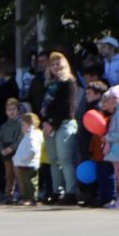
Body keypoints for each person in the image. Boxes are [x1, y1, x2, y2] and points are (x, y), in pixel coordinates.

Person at [37, 52, 79, 203]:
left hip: (64, 123)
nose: (56, 67)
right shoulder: (50, 84)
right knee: (53, 160)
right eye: (52, 64)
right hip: (48, 124)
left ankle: (71, 192)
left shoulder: (69, 83)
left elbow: (65, 106)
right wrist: (44, 122)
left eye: (58, 63)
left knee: (65, 159)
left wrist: (52, 123)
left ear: (65, 64)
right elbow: (44, 106)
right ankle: (56, 191)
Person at [0, 98, 24, 204]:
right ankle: (8, 194)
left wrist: (11, 148)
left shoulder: (20, 124)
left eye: (14, 109)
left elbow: (20, 139)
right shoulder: (4, 126)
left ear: (18, 111)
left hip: (16, 151)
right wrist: (1, 149)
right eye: (9, 109)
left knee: (18, 173)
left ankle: (22, 194)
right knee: (8, 174)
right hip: (6, 152)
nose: (11, 112)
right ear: (6, 112)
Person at [12, 111, 44, 204]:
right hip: (24, 164)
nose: (21, 127)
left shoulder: (32, 136)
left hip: (29, 164)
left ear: (31, 125)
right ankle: (25, 197)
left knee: (31, 183)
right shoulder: (27, 136)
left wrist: (23, 159)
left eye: (23, 125)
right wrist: (17, 158)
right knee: (24, 183)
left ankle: (32, 199)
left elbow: (32, 150)